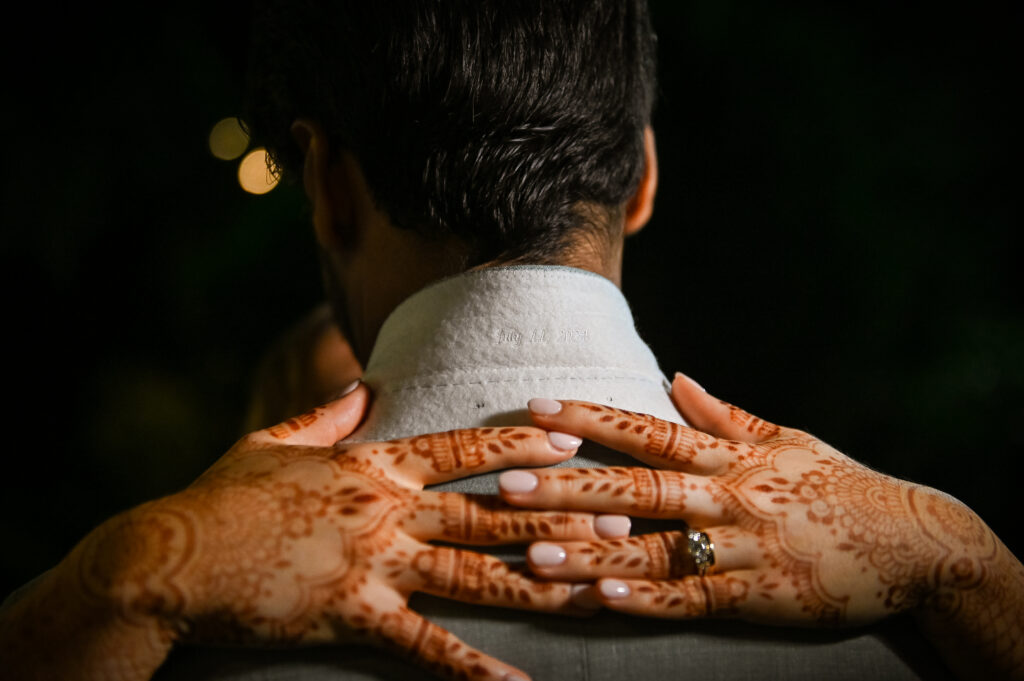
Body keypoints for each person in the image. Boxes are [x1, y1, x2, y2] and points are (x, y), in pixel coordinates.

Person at [2, 2, 1021, 680]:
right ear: (643, 177)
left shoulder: (142, 630)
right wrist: (973, 565)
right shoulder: (922, 610)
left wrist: (131, 572)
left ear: (325, 186)